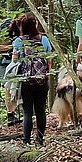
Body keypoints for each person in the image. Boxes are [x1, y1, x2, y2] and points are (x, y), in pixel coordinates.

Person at [12, 13, 52, 146]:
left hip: (26, 81)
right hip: (42, 80)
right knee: (40, 111)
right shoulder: (43, 39)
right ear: (35, 24)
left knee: (27, 111)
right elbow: (49, 60)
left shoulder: (18, 41)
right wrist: (46, 74)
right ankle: (39, 140)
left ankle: (26, 141)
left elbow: (14, 61)